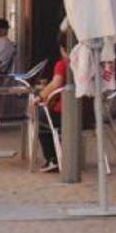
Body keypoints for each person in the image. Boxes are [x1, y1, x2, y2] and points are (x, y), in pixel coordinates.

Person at [34, 33, 70, 173]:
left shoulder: (63, 65)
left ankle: (52, 158)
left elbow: (55, 84)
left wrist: (40, 96)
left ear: (62, 48)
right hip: (89, 116)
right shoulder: (90, 64)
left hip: (65, 114)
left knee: (42, 116)